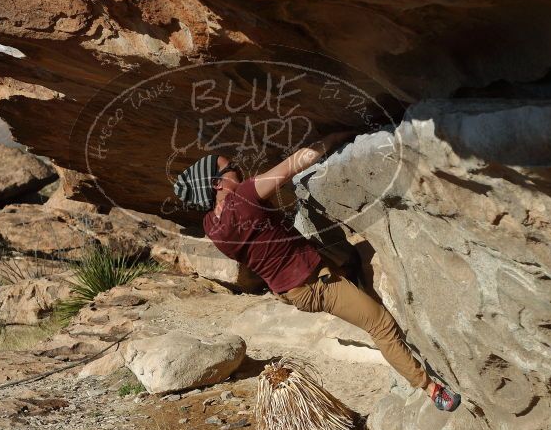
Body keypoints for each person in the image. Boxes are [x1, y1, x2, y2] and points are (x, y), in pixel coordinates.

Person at [172, 133, 460, 411]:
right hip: (315, 284)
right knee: (381, 325)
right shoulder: (245, 196)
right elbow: (297, 162)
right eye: (231, 168)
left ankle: (352, 277)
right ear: (216, 183)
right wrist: (335, 137)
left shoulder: (212, 226)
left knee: (340, 254)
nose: (239, 169)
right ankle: (430, 389)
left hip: (292, 289)